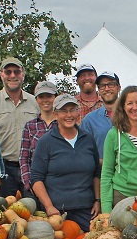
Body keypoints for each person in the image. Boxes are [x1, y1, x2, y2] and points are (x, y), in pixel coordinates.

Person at [30, 94, 100, 231]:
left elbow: (96, 173)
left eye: (72, 110)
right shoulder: (46, 142)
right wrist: (49, 206)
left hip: (86, 210)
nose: (69, 115)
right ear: (55, 114)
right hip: (57, 212)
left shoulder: (88, 139)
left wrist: (97, 200)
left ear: (78, 112)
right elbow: (36, 178)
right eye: (63, 111)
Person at [0, 57, 39, 197]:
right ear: (1, 74)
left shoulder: (35, 103)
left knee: (35, 210)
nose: (13, 75)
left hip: (31, 167)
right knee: (3, 211)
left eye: (17, 72)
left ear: (23, 74)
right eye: (8, 72)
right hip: (3, 169)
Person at [19, 81, 57, 200]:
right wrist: (28, 182)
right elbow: (24, 157)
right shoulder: (30, 126)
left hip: (58, 186)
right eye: (41, 97)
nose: (45, 100)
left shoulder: (63, 124)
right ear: (36, 99)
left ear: (55, 97)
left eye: (49, 96)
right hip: (35, 186)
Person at [80, 71, 121, 163]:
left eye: (111, 84)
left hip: (130, 173)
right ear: (98, 90)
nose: (106, 89)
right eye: (102, 86)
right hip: (101, 174)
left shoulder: (131, 115)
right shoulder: (89, 120)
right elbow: (83, 151)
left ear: (119, 88)